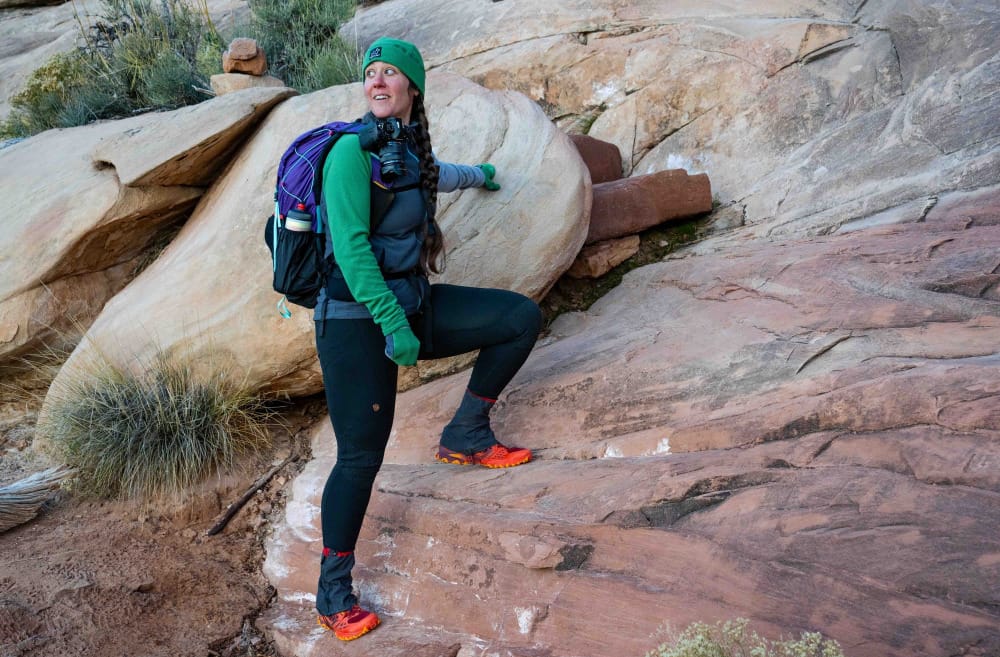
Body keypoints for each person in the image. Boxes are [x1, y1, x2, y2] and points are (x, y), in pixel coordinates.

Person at [312, 37, 543, 641]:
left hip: (411, 308)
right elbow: (355, 251)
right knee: (361, 458)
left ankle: (465, 434)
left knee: (518, 317)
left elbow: (438, 177)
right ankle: (332, 593)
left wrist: (485, 174)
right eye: (372, 74)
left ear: (414, 87)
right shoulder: (348, 152)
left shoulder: (410, 149)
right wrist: (393, 326)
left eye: (391, 73)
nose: (379, 82)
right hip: (355, 321)